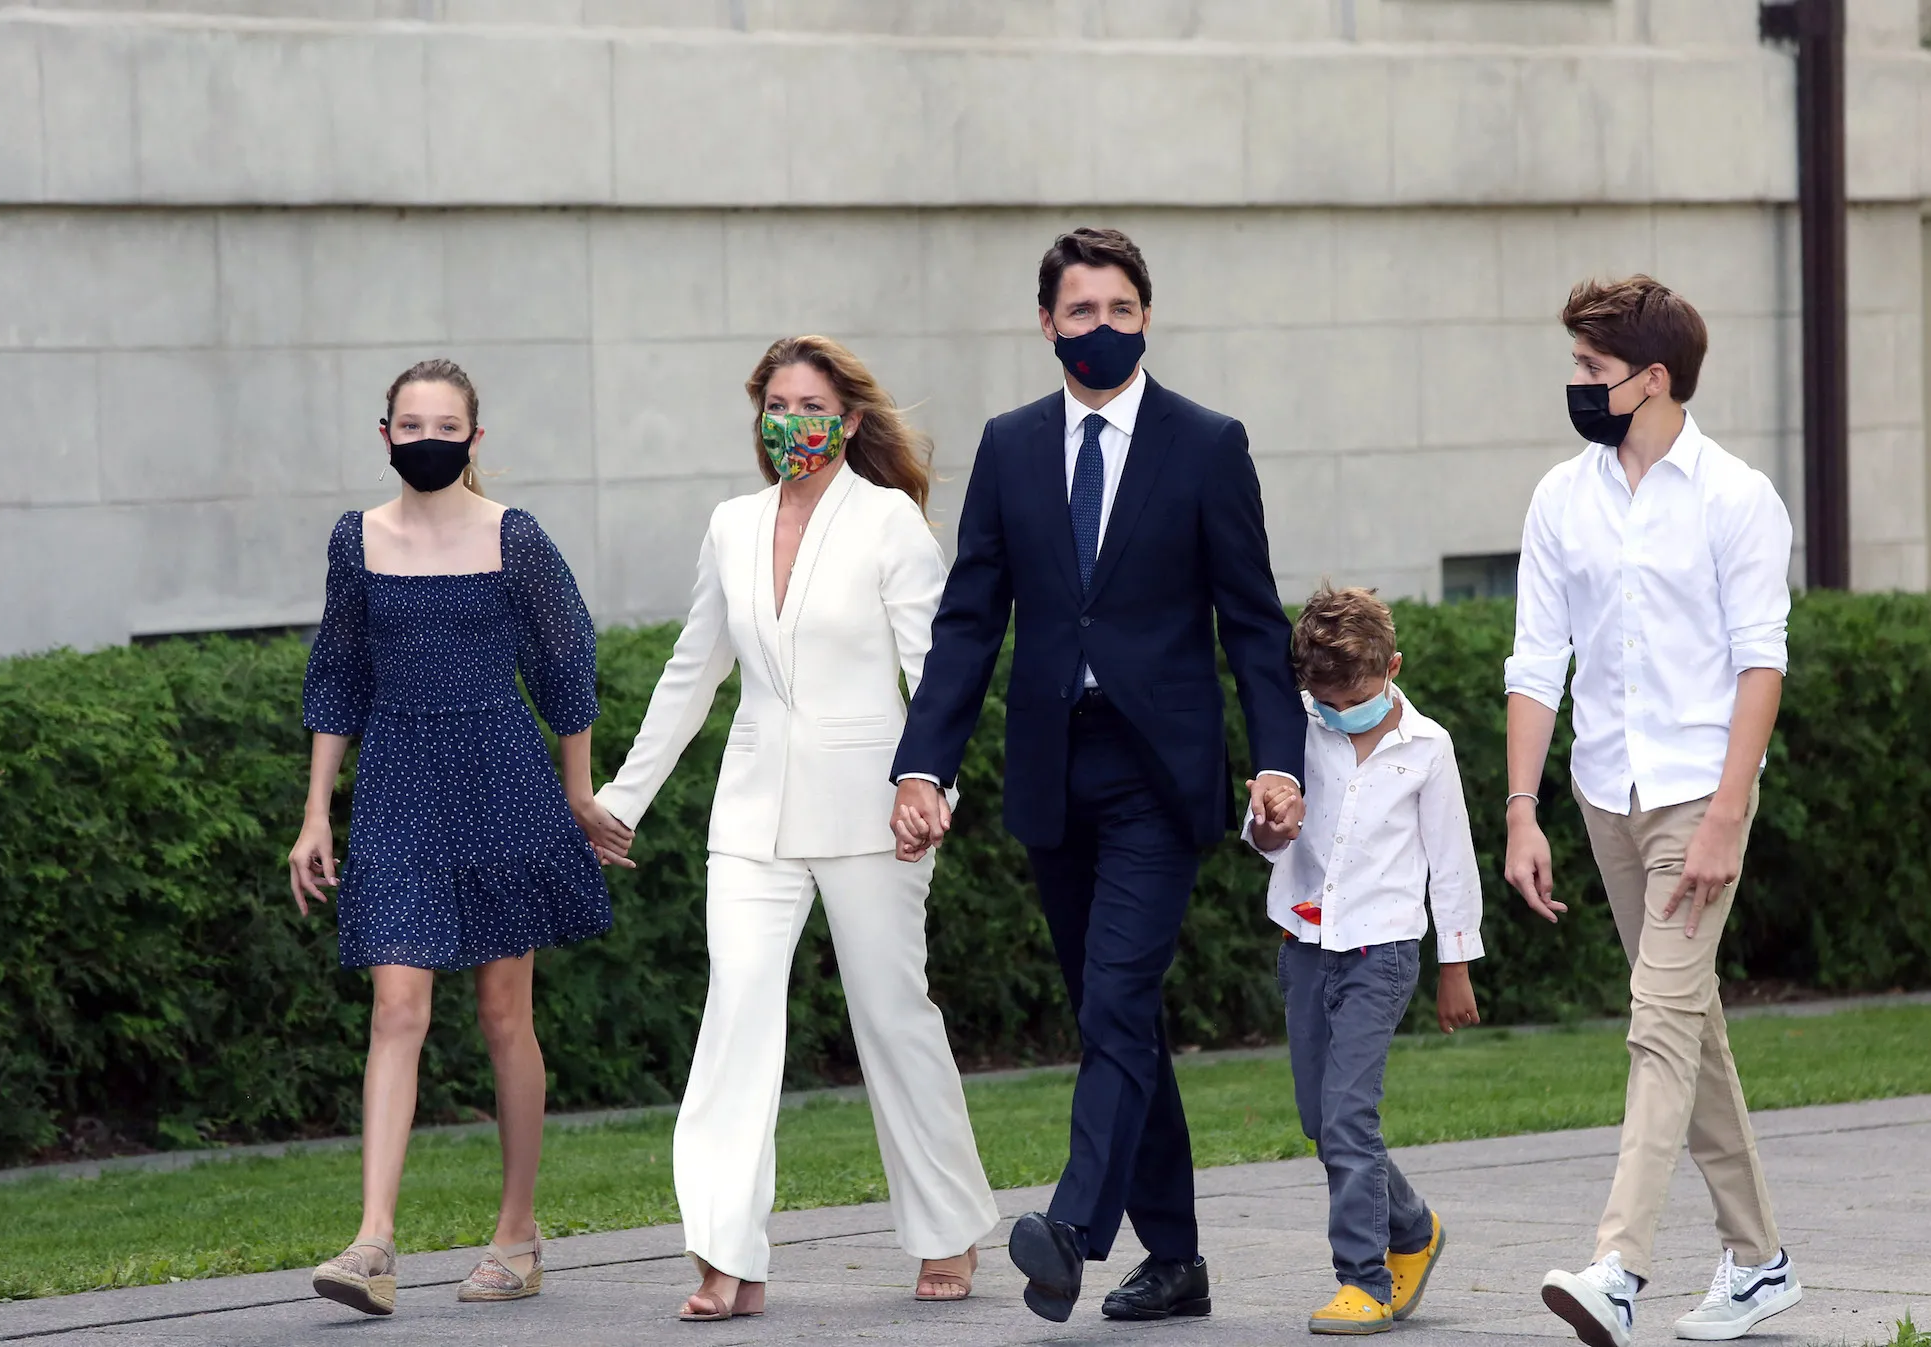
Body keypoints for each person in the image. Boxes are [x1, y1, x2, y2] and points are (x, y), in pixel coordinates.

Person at [888, 227, 1309, 1325]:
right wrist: (924, 765)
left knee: (1117, 999)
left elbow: (1251, 622)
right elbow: (968, 621)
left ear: (1146, 317)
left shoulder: (1206, 445)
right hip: (1052, 768)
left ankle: (1072, 1229)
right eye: (1082, 311)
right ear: (1047, 323)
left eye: (1121, 309)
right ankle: (1177, 1259)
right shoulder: (1011, 445)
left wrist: (1277, 760)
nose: (1103, 327)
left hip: (1157, 775)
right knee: (1116, 1014)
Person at [589, 336, 999, 1322]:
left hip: (874, 812)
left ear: (849, 420)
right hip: (750, 814)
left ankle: (946, 1229)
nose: (792, 423)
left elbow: (937, 671)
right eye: (776, 405)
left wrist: (929, 783)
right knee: (735, 1014)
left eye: (811, 405)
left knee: (892, 1017)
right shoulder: (731, 525)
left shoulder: (889, 522)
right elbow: (693, 671)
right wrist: (622, 798)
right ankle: (725, 1253)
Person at [1504, 277, 1803, 1347]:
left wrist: (1726, 814)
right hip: (1605, 796)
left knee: (1657, 1021)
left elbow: (1760, 664)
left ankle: (1617, 1268)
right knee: (1687, 1020)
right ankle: (1759, 1262)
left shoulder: (1735, 497)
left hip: (1696, 796)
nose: (1576, 384)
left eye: (1592, 368)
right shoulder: (1560, 498)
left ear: (1653, 379)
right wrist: (1521, 809)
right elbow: (1535, 661)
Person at [289, 358, 622, 1317]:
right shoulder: (356, 539)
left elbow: (568, 661)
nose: (427, 439)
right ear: (384, 434)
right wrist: (316, 812)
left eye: (446, 426)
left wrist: (578, 793)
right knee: (396, 1007)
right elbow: (337, 674)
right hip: (397, 785)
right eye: (411, 424)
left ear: (475, 438)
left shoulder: (515, 536)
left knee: (504, 1014)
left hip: (501, 780)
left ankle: (517, 1234)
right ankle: (372, 1242)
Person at [1246, 585, 1483, 1335]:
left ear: (1392, 667)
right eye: (1327, 699)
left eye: (1355, 696)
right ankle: (1414, 1227)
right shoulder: (1297, 729)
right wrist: (1271, 826)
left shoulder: (1428, 747)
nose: (1340, 709)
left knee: (1349, 1114)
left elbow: (1452, 862)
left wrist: (1456, 965)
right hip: (1306, 946)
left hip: (1382, 952)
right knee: (1321, 1119)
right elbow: (1264, 835)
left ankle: (1364, 1278)